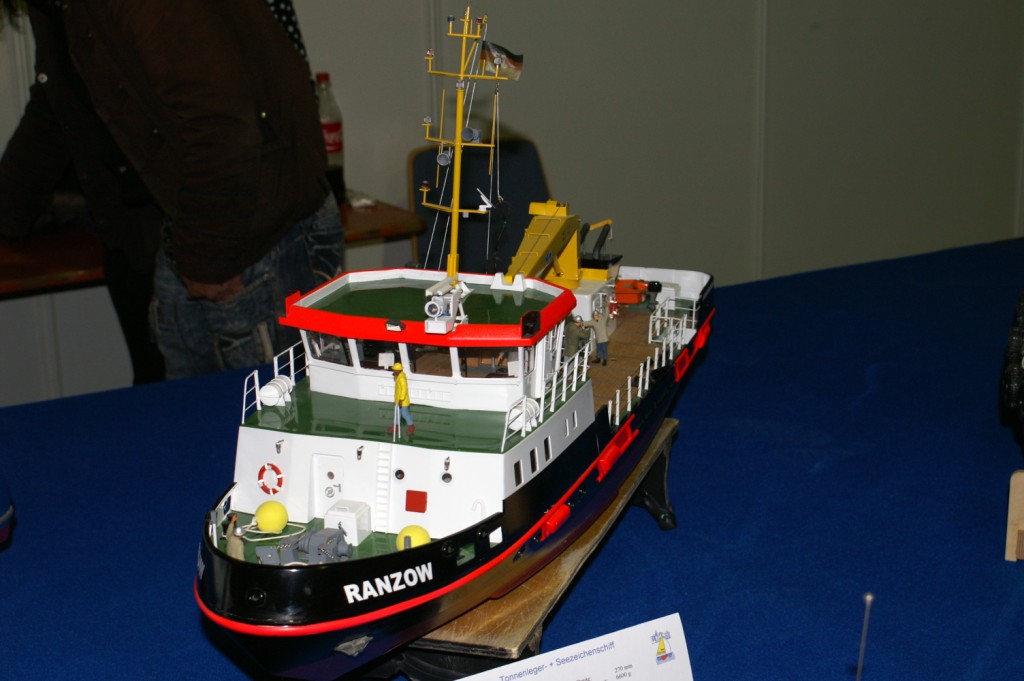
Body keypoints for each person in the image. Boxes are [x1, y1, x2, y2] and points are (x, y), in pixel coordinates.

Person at [0, 0, 343, 380]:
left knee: (274, 412)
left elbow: (222, 125)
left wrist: (208, 256)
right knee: (192, 410)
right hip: (192, 230)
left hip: (253, 237)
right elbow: (57, 101)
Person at [390, 362, 415, 436]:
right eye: (394, 369)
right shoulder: (398, 376)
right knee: (397, 413)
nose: (394, 371)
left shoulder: (402, 378)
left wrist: (401, 399)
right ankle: (396, 426)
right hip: (398, 399)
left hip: (403, 401)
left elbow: (404, 389)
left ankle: (411, 426)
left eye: (395, 370)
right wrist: (395, 376)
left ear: (399, 370)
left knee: (404, 414)